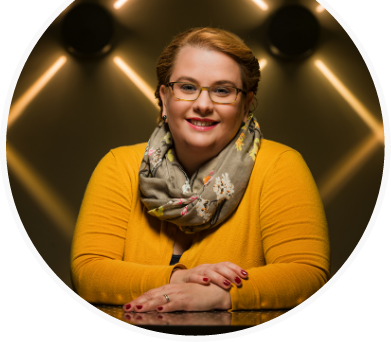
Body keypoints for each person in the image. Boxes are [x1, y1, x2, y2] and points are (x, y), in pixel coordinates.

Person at [70, 27, 330, 313]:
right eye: (187, 87)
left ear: (246, 105)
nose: (203, 104)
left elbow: (307, 274)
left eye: (222, 90)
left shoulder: (280, 164)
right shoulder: (119, 165)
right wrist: (180, 279)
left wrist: (222, 296)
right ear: (164, 97)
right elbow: (88, 273)